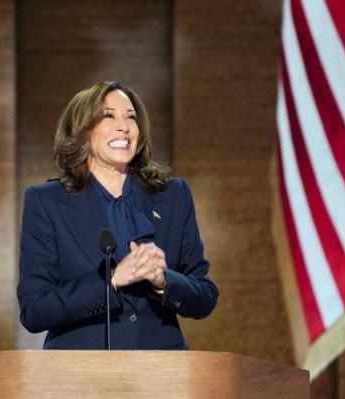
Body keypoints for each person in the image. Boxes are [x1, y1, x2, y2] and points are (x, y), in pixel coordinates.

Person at [17, 81, 218, 349]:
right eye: (108, 115)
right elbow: (35, 310)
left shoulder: (173, 195)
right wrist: (111, 281)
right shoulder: (46, 202)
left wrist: (163, 281)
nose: (124, 125)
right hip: (80, 375)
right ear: (82, 130)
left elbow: (204, 296)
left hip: (160, 373)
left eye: (131, 117)